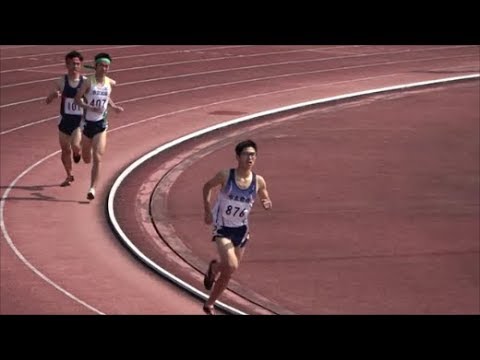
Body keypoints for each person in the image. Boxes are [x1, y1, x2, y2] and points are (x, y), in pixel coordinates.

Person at [201, 139, 272, 315]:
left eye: (253, 155)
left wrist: (265, 200)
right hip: (223, 228)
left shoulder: (258, 180)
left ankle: (210, 302)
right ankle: (216, 269)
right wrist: (207, 210)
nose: (250, 157)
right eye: (246, 154)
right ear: (237, 157)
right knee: (231, 265)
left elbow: (264, 192)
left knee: (228, 271)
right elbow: (207, 186)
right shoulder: (226, 175)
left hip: (241, 230)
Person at [74, 52, 124, 200]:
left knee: (97, 157)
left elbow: (106, 96)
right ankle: (80, 151)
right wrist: (88, 107)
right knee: (87, 158)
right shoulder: (88, 82)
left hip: (101, 125)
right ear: (95, 66)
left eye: (107, 66)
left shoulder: (109, 82)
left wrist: (114, 107)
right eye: (101, 65)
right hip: (87, 124)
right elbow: (77, 100)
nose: (104, 68)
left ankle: (92, 189)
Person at [45, 50, 85, 187]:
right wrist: (53, 96)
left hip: (78, 122)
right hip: (64, 121)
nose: (75, 66)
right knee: (65, 150)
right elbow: (47, 101)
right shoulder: (61, 81)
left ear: (81, 65)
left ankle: (77, 151)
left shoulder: (85, 82)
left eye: (77, 64)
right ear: (67, 65)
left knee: (74, 145)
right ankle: (69, 175)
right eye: (72, 64)